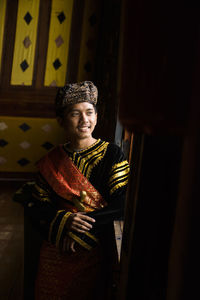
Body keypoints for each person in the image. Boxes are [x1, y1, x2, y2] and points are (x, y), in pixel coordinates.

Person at [14, 81, 130, 300]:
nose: (84, 120)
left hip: (95, 246)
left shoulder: (113, 154)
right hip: (57, 245)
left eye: (89, 112)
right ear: (61, 121)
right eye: (75, 114)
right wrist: (65, 221)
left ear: (97, 116)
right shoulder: (52, 161)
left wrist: (82, 228)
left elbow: (122, 203)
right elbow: (38, 206)